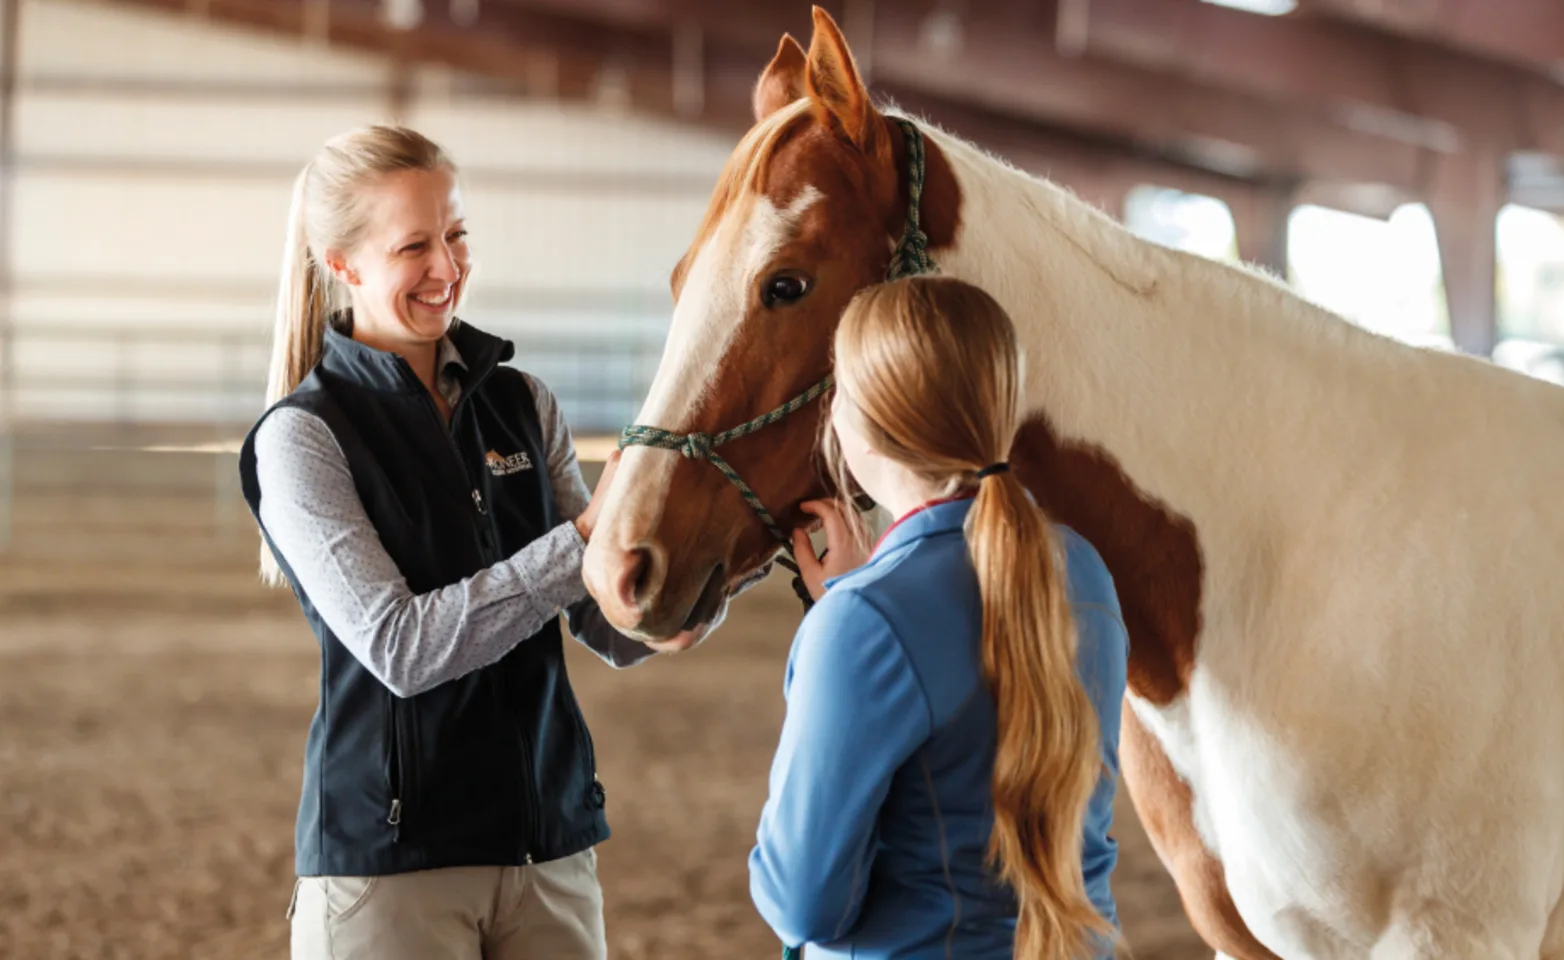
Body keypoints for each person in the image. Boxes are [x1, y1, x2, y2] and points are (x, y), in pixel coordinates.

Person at [237, 124, 699, 960]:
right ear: (343, 264)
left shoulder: (523, 403)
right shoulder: (302, 439)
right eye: (415, 245)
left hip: (548, 851)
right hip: (390, 872)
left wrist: (708, 560)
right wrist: (584, 541)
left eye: (455, 236)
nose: (447, 268)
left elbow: (612, 626)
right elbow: (400, 648)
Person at [748, 275, 1129, 960]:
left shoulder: (863, 621)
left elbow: (802, 903)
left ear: (860, 423)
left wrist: (851, 609)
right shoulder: (1085, 571)